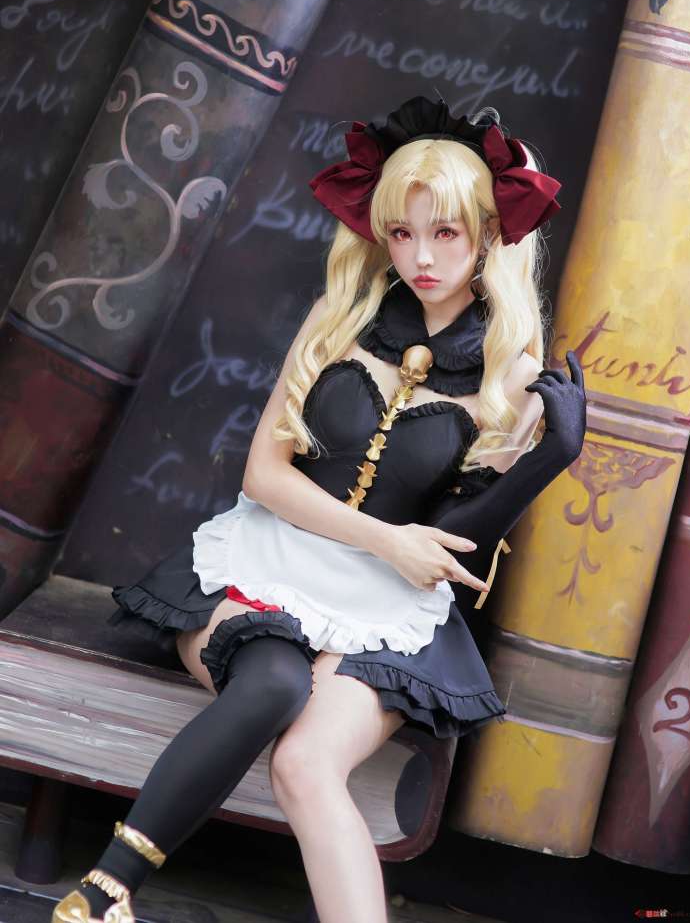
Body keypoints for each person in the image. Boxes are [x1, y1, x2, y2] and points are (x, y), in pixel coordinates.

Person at [52, 95, 586, 923]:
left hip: (387, 610)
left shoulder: (509, 372)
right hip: (269, 560)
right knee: (270, 683)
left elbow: (454, 543)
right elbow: (264, 475)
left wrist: (549, 457)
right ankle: (104, 894)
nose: (421, 256)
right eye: (402, 232)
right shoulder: (344, 314)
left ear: (488, 233)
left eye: (445, 232)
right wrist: (385, 538)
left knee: (304, 766)